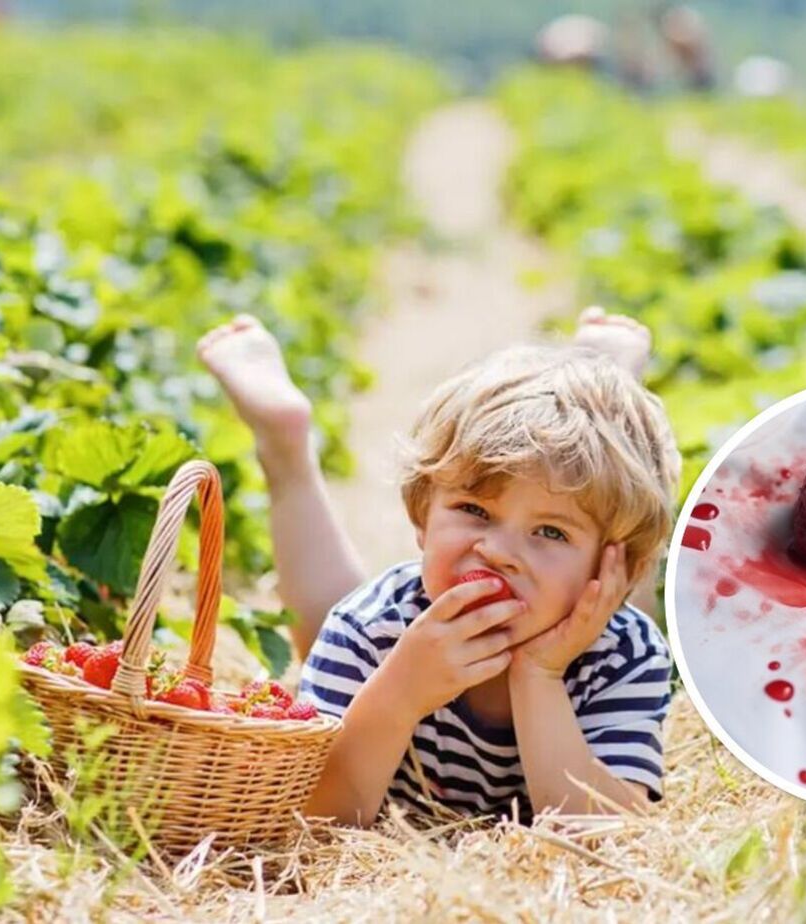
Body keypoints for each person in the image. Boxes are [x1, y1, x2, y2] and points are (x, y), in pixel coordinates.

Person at [196, 309, 677, 824]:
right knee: (321, 623)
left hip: (600, 600)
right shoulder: (368, 626)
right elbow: (320, 820)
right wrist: (400, 692)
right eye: (474, 510)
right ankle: (286, 449)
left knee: (621, 545)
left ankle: (605, 389)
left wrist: (539, 674)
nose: (498, 552)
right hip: (377, 642)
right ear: (422, 517)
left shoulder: (621, 655)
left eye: (550, 532)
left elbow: (604, 834)